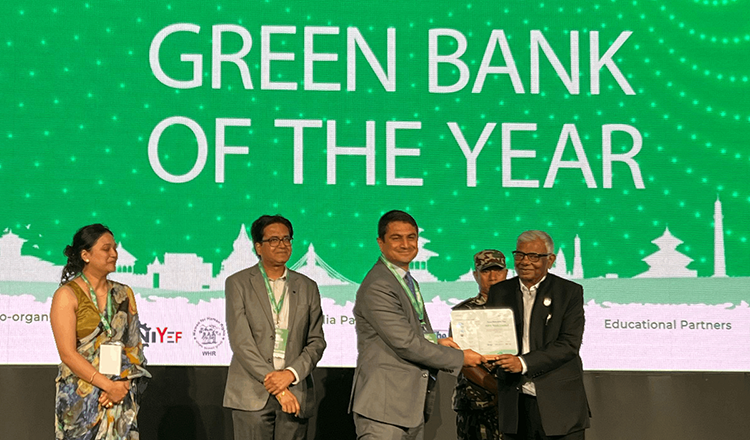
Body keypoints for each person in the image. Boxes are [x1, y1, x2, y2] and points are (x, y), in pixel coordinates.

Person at [349, 210, 487, 440]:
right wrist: (461, 358)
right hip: (384, 409)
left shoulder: (406, 280)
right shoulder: (379, 285)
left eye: (411, 237)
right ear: (380, 243)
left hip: (407, 407)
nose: (405, 244)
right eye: (396, 238)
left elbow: (411, 331)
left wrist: (437, 342)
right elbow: (405, 343)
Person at [223, 215, 326, 440]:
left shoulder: (308, 286)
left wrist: (290, 374)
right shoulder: (238, 283)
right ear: (258, 247)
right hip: (251, 394)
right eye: (274, 240)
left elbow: (316, 341)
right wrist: (278, 387)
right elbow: (241, 342)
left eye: (286, 239)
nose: (282, 245)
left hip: (295, 391)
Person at [50, 224, 151, 440]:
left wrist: (122, 385)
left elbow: (134, 347)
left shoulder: (124, 293)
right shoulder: (67, 295)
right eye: (106, 249)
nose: (114, 254)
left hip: (119, 395)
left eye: (115, 248)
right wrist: (107, 386)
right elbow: (67, 354)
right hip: (80, 396)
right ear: (85, 255)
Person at [487, 230, 590, 440]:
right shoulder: (500, 292)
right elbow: (491, 337)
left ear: (550, 260)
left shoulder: (568, 292)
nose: (525, 261)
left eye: (534, 256)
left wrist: (522, 363)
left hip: (559, 405)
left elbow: (569, 344)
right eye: (520, 255)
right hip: (515, 404)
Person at [452, 250, 508, 440]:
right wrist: (496, 388)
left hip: (514, 403)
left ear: (506, 273)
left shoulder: (519, 309)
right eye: (486, 271)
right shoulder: (464, 312)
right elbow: (461, 359)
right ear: (475, 275)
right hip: (476, 404)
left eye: (497, 270)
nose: (493, 277)